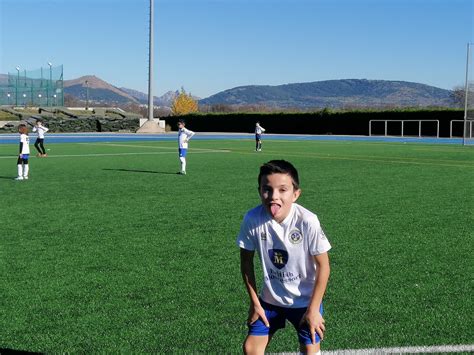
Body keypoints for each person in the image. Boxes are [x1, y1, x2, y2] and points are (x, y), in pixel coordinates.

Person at [236, 160, 331, 355]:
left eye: (282, 190)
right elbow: (246, 263)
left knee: (310, 350)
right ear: (259, 191)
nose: (273, 196)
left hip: (305, 300)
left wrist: (313, 310)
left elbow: (324, 266)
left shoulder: (307, 221)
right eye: (267, 189)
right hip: (270, 300)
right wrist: (255, 304)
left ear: (296, 194)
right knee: (250, 349)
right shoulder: (252, 219)